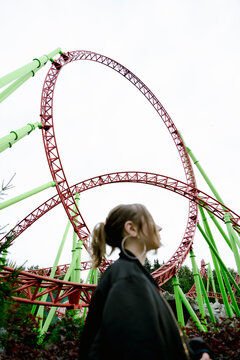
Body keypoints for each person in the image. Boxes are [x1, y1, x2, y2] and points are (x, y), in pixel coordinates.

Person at [79, 203, 212, 360]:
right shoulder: (129, 279)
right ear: (132, 228)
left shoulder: (131, 274)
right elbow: (137, 350)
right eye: (151, 221)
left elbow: (153, 340)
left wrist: (196, 352)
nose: (159, 228)